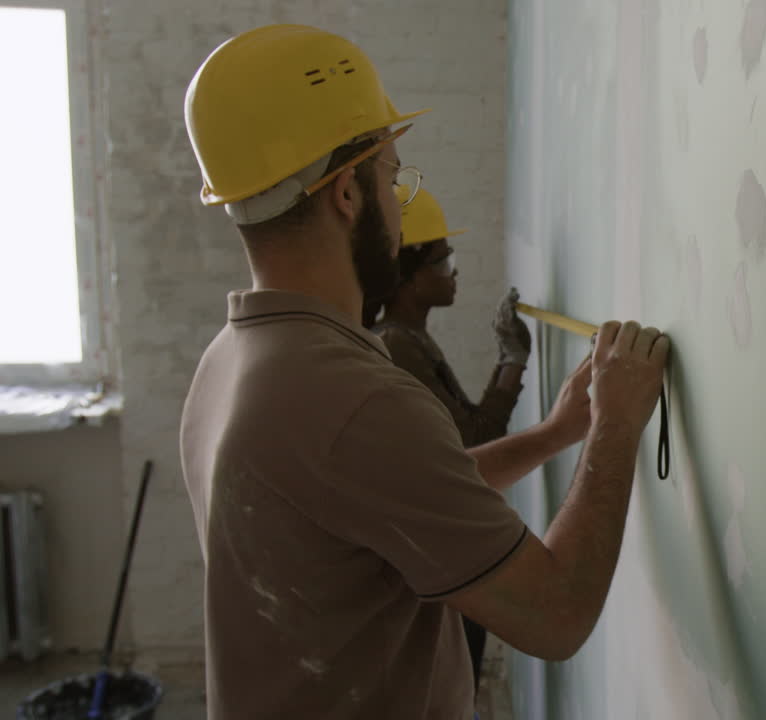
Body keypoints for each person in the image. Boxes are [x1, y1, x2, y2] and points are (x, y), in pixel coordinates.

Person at [179, 24, 669, 720]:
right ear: (347, 192)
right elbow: (557, 614)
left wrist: (560, 432)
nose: (398, 200)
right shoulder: (351, 400)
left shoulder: (232, 359)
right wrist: (616, 427)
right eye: (392, 176)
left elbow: (396, 492)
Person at [363, 187, 533, 692]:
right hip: (441, 551)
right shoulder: (398, 344)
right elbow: (474, 443)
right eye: (444, 262)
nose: (453, 272)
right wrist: (512, 361)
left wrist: (511, 361)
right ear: (409, 280)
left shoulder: (408, 337)